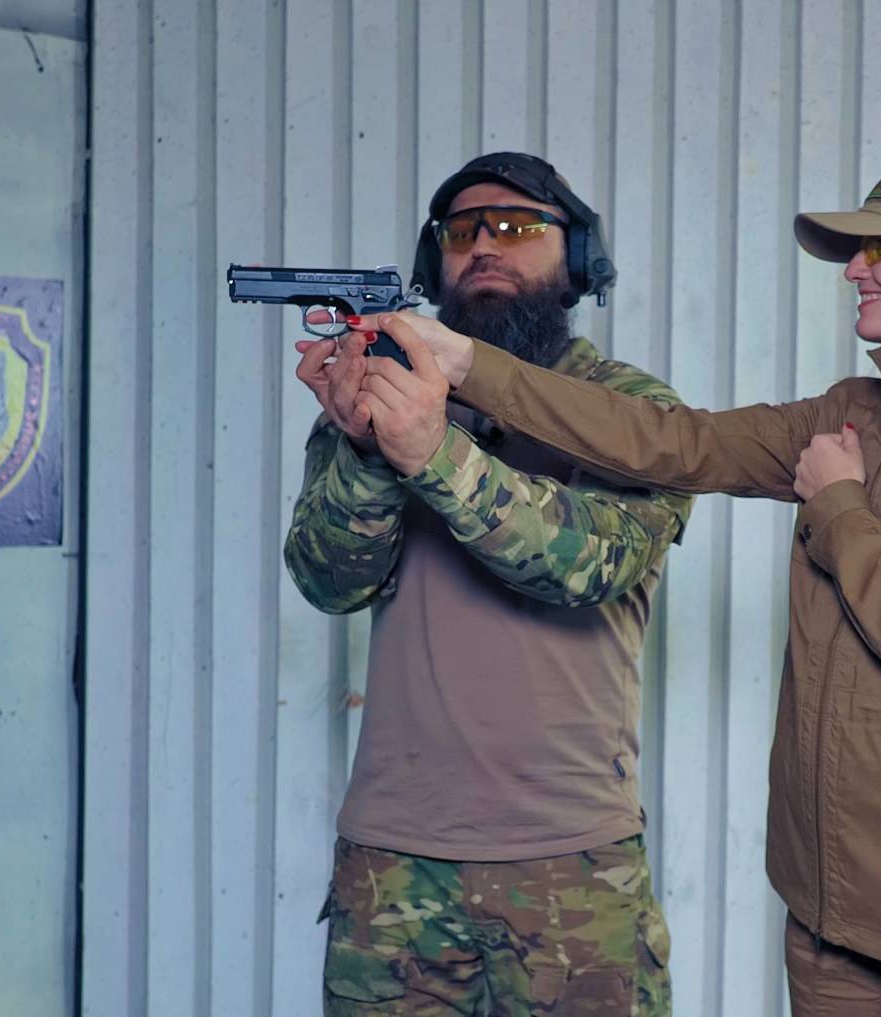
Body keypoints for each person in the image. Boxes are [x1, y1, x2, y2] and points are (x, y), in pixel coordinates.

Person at [360, 155, 881, 1017]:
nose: (854, 271)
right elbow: (667, 441)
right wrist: (464, 362)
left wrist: (840, 504)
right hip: (826, 917)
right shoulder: (848, 413)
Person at [285, 151, 688, 1016]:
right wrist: (365, 448)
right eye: (464, 230)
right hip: (393, 861)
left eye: (517, 226)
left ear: (578, 258)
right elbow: (327, 579)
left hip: (572, 860)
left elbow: (588, 563)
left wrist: (430, 450)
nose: (485, 247)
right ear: (434, 263)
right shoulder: (384, 393)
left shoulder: (630, 408)